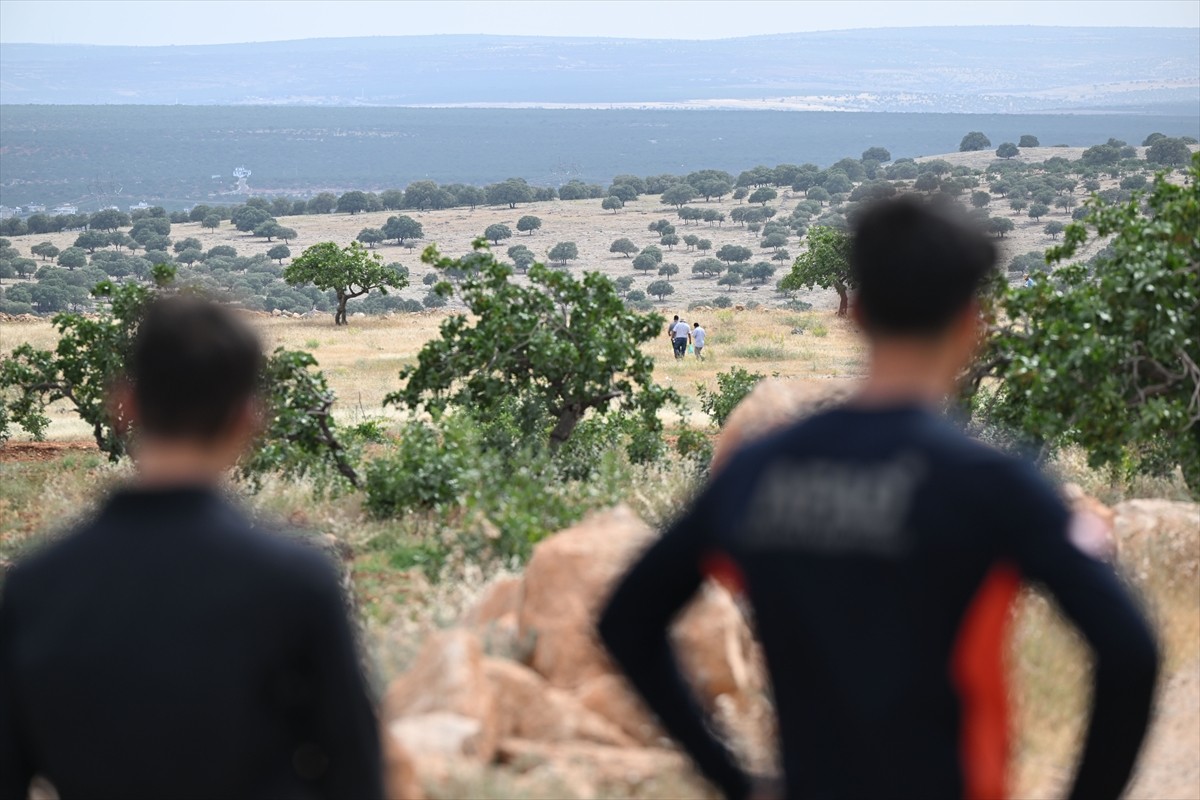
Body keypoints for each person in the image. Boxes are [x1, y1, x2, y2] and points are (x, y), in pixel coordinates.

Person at [599, 197, 1158, 800]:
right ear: (973, 321)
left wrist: (733, 780)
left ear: (857, 312)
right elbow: (1130, 650)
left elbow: (627, 619)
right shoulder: (988, 483)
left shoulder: (759, 472)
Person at [0, 297, 384, 799]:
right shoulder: (296, 583)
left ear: (124, 406)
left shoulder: (33, 589)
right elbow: (357, 773)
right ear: (247, 419)